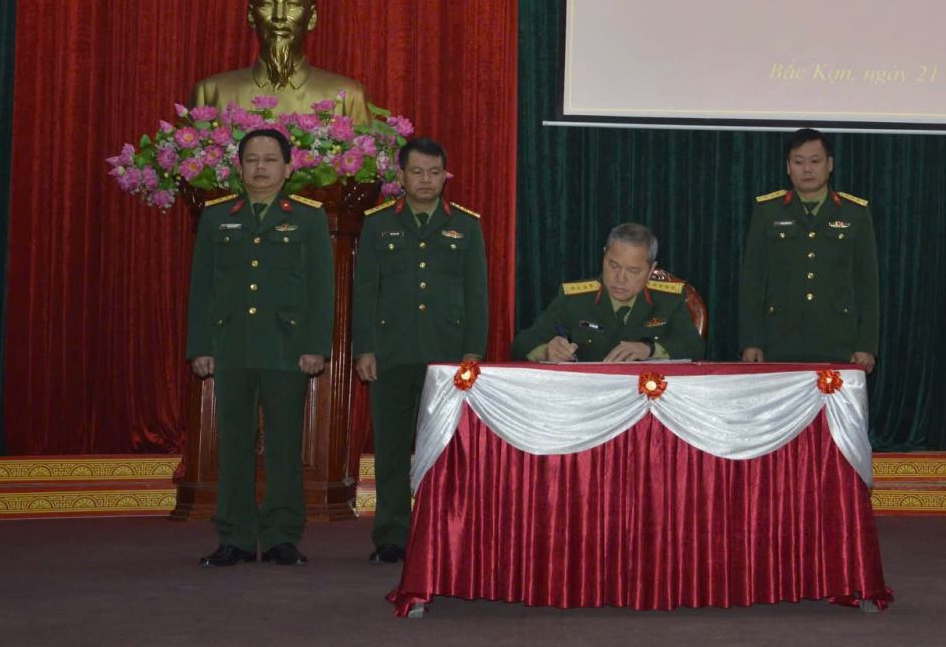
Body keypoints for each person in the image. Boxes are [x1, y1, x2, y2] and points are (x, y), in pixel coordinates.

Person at [187, 128, 333, 567]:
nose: (261, 168)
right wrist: (201, 346)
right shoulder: (217, 216)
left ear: (288, 168)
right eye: (252, 160)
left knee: (285, 444)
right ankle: (234, 536)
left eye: (270, 160)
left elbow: (321, 288)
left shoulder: (308, 217)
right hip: (231, 346)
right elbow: (202, 287)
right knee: (233, 444)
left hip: (287, 348)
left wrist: (316, 345)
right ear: (240, 167)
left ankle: (281, 537)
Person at [352, 138, 488, 564]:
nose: (426, 180)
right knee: (392, 449)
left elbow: (477, 294)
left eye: (434, 172)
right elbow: (365, 292)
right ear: (401, 176)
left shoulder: (466, 225)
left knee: (444, 449)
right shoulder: (378, 224)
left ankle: (443, 532)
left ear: (445, 176)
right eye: (417, 172)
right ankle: (392, 535)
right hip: (391, 353)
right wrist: (364, 348)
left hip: (446, 356)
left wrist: (473, 352)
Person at [738, 128, 879, 372]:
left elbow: (867, 283)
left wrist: (866, 344)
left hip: (839, 341)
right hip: (779, 340)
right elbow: (753, 281)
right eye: (798, 162)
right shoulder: (767, 211)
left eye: (815, 161)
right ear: (788, 167)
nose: (807, 169)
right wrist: (751, 341)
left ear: (830, 164)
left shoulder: (854, 212)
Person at [191, 0, 371, 120]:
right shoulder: (210, 94)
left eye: (292, 5)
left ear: (311, 18)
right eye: (267, 4)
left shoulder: (349, 98)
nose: (279, 16)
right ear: (251, 16)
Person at [511, 223, 704, 363]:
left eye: (633, 271)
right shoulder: (575, 298)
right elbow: (521, 344)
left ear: (651, 270)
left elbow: (694, 346)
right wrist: (546, 352)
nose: (620, 278)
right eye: (613, 265)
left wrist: (649, 349)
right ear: (604, 255)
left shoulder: (668, 299)